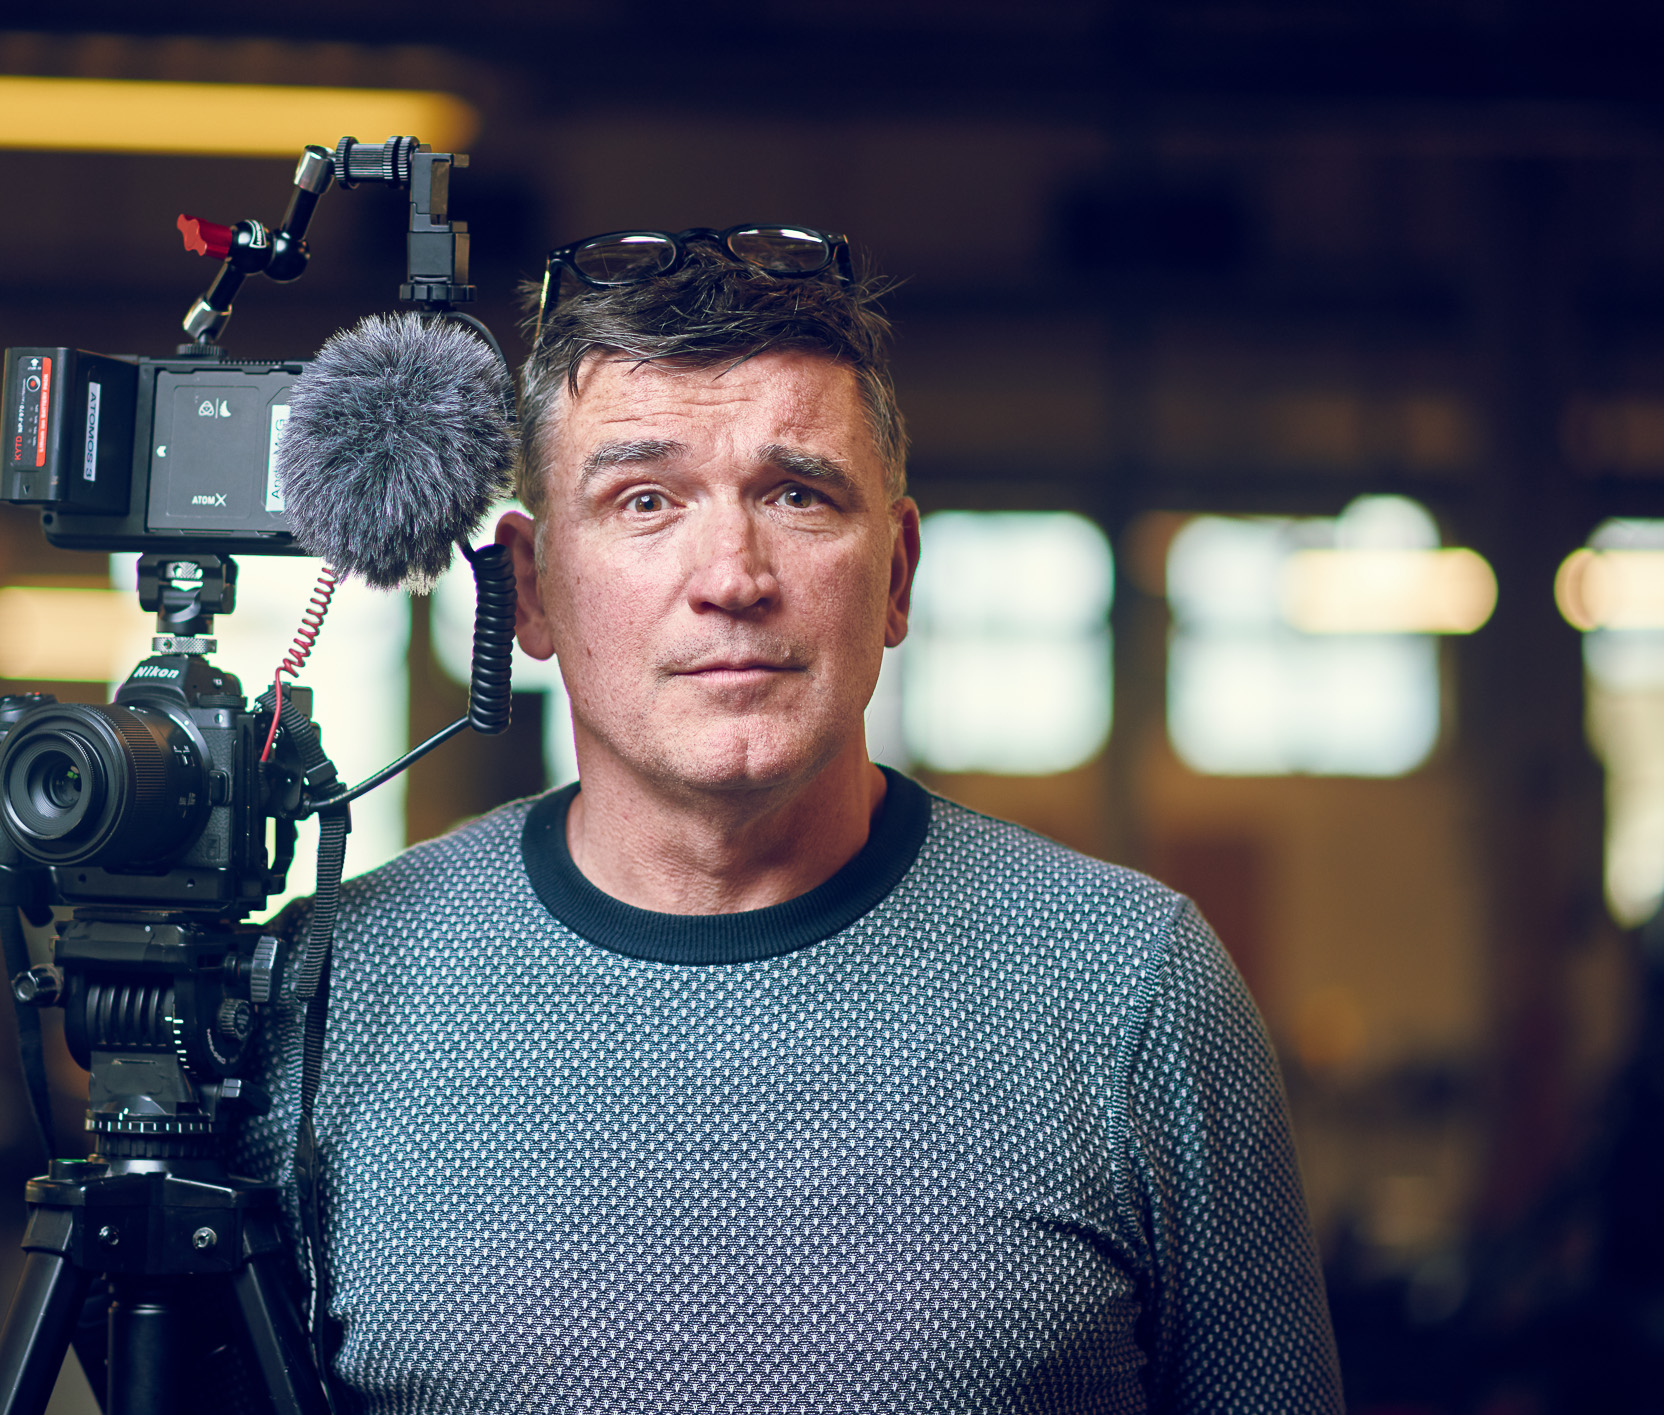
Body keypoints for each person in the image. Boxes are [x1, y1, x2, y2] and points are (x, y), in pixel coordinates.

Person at [238, 226, 1344, 1413]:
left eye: (796, 494)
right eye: (644, 499)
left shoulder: (1125, 984)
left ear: (898, 575)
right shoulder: (328, 985)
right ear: (530, 590)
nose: (731, 574)